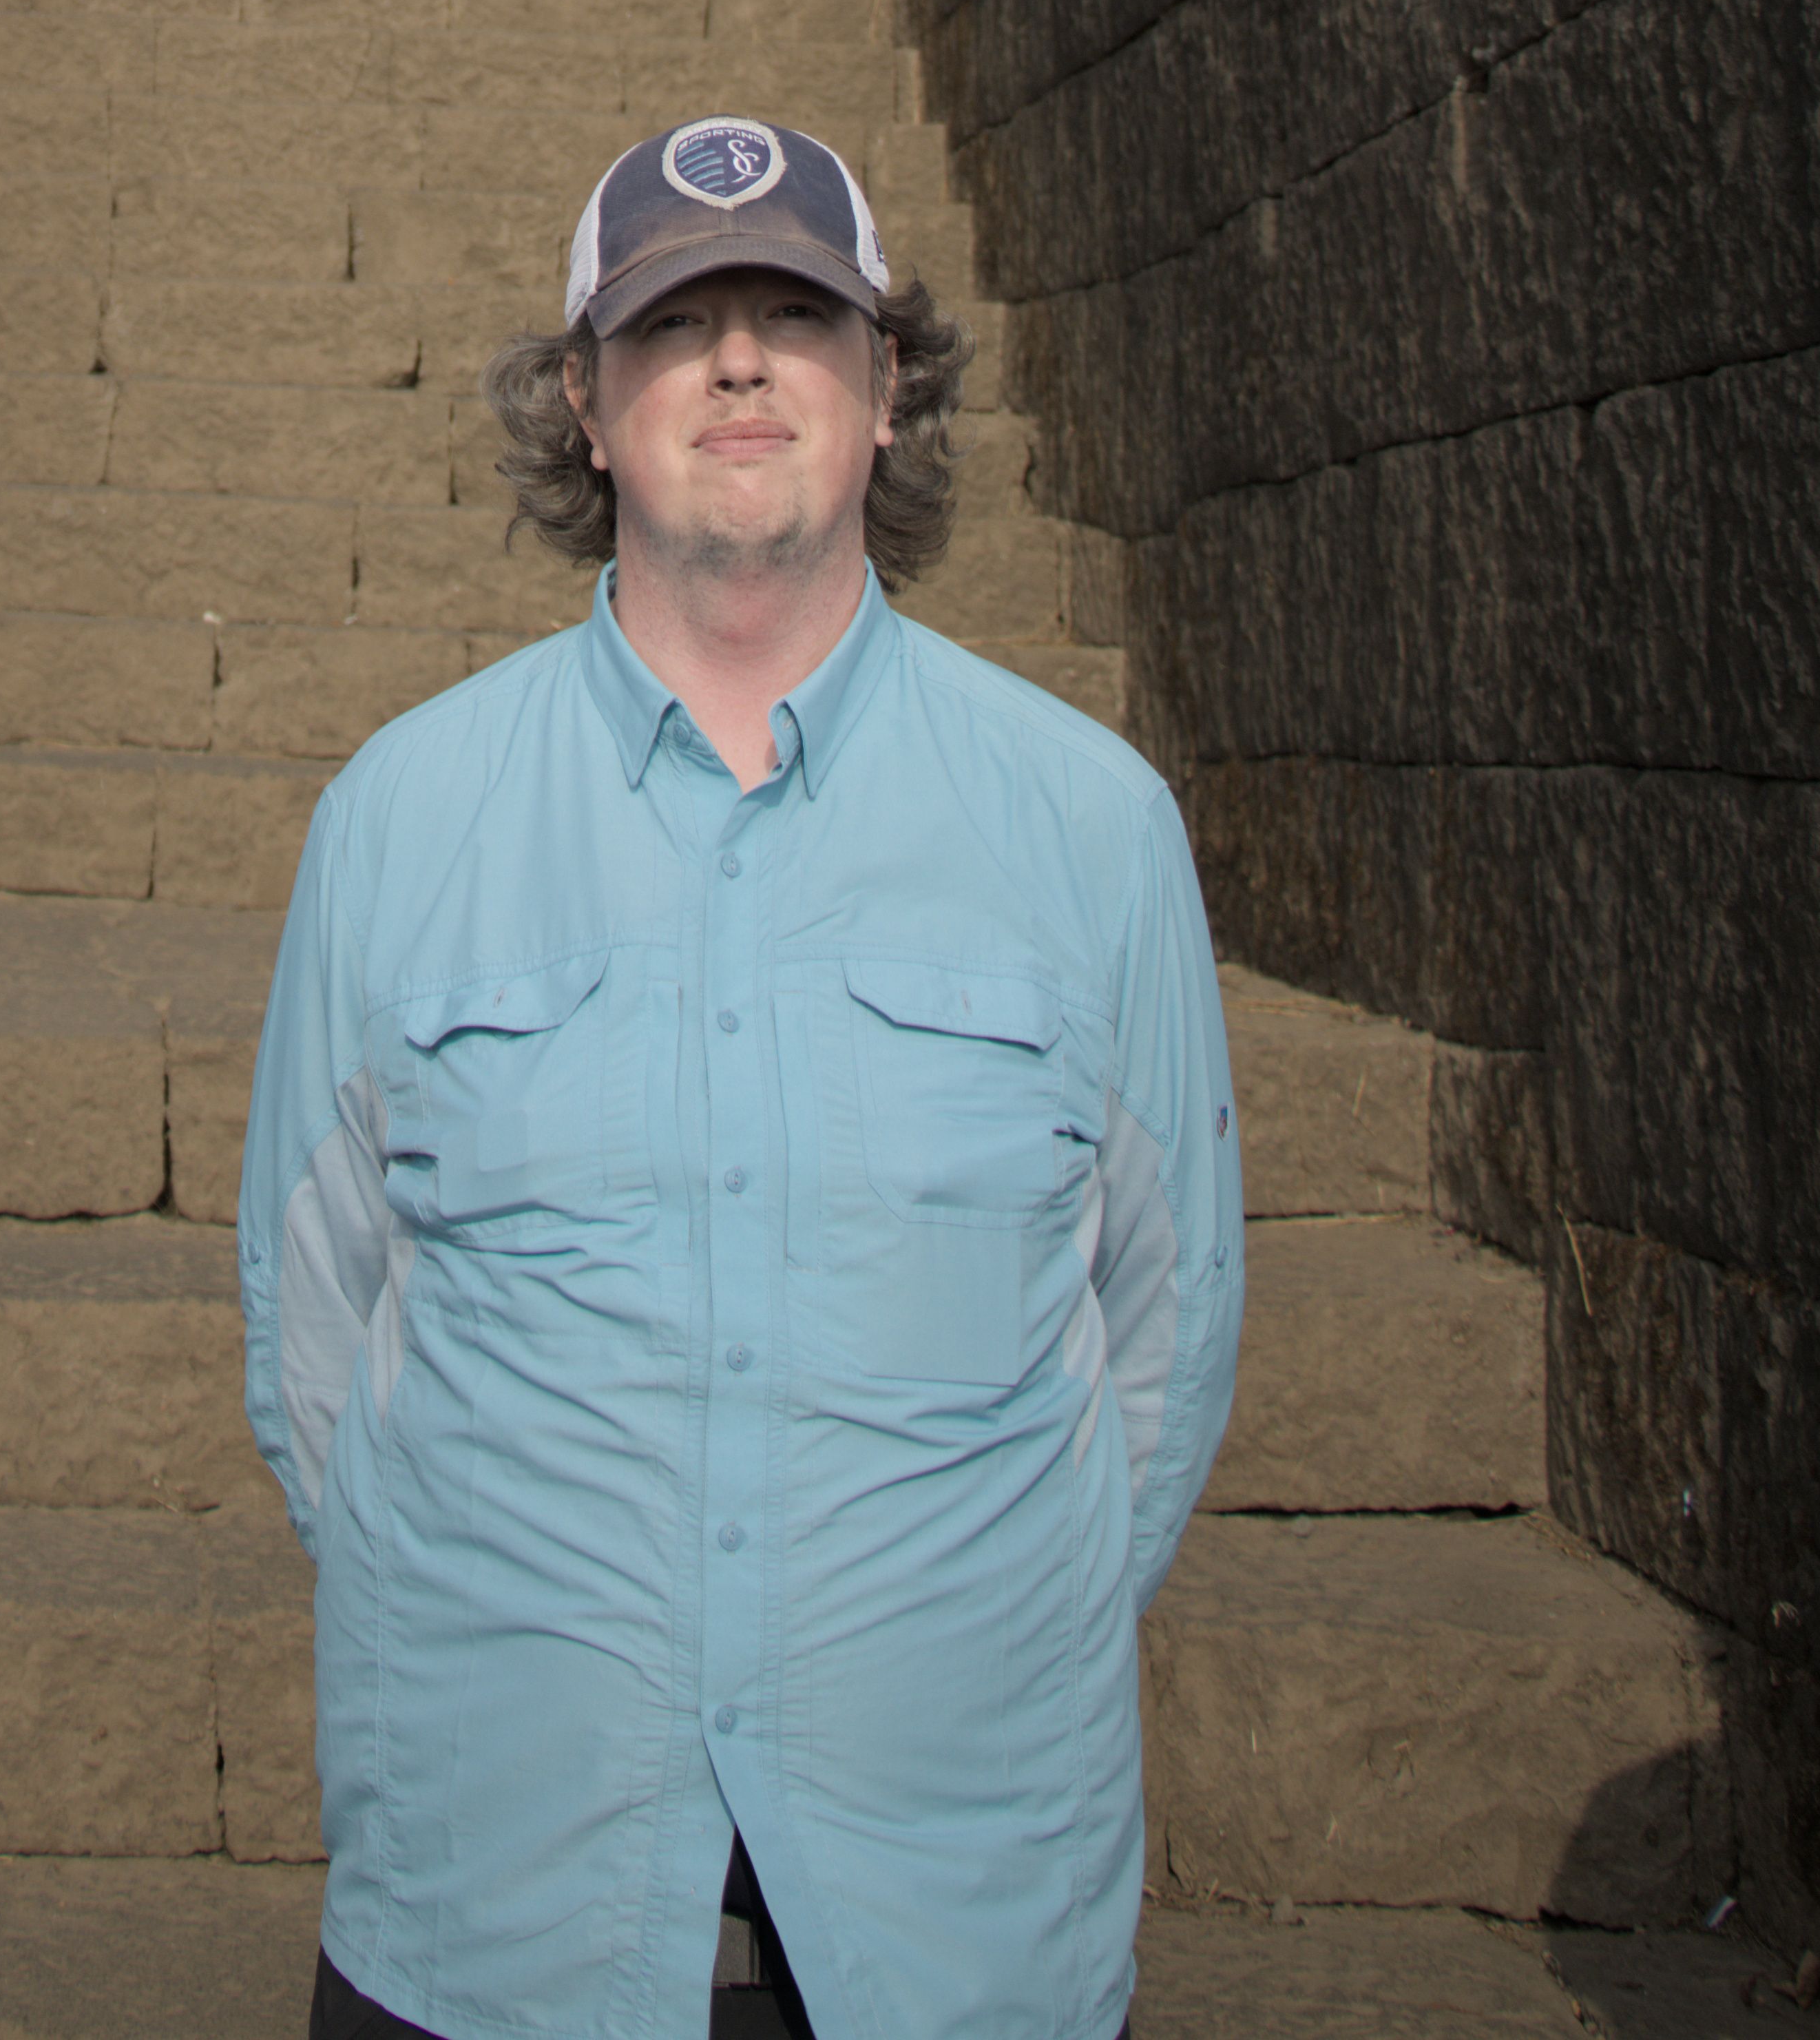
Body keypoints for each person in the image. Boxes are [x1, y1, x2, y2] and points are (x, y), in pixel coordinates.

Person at [239, 114, 1241, 2040]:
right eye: (669, 323)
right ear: (589, 414)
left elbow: (1155, 1336)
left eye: (795, 312)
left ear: (885, 401)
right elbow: (319, 1329)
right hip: (496, 1902)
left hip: (952, 1923)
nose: (733, 360)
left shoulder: (1088, 827)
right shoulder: (400, 819)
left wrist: (944, 1639)